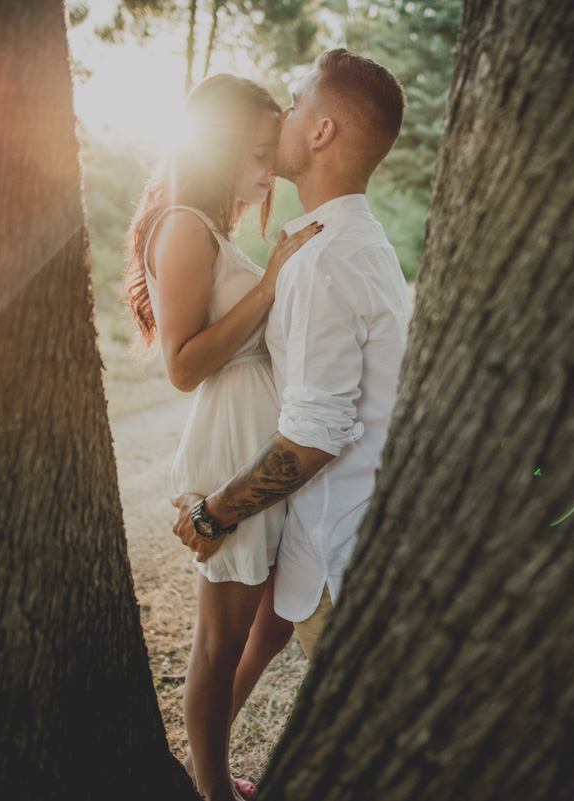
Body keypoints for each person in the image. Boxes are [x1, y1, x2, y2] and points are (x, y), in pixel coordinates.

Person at [171, 48, 410, 666]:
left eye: (297, 102)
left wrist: (212, 513)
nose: (284, 112)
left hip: (340, 553)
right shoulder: (364, 242)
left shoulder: (322, 261)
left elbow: (311, 439)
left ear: (321, 131)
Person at [122, 73, 321, 801]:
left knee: (274, 623)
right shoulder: (183, 226)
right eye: (259, 152)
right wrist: (269, 287)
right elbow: (181, 365)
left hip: (259, 440)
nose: (271, 170)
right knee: (220, 643)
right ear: (221, 147)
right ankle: (208, 788)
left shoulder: (216, 230)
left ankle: (207, 747)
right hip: (228, 443)